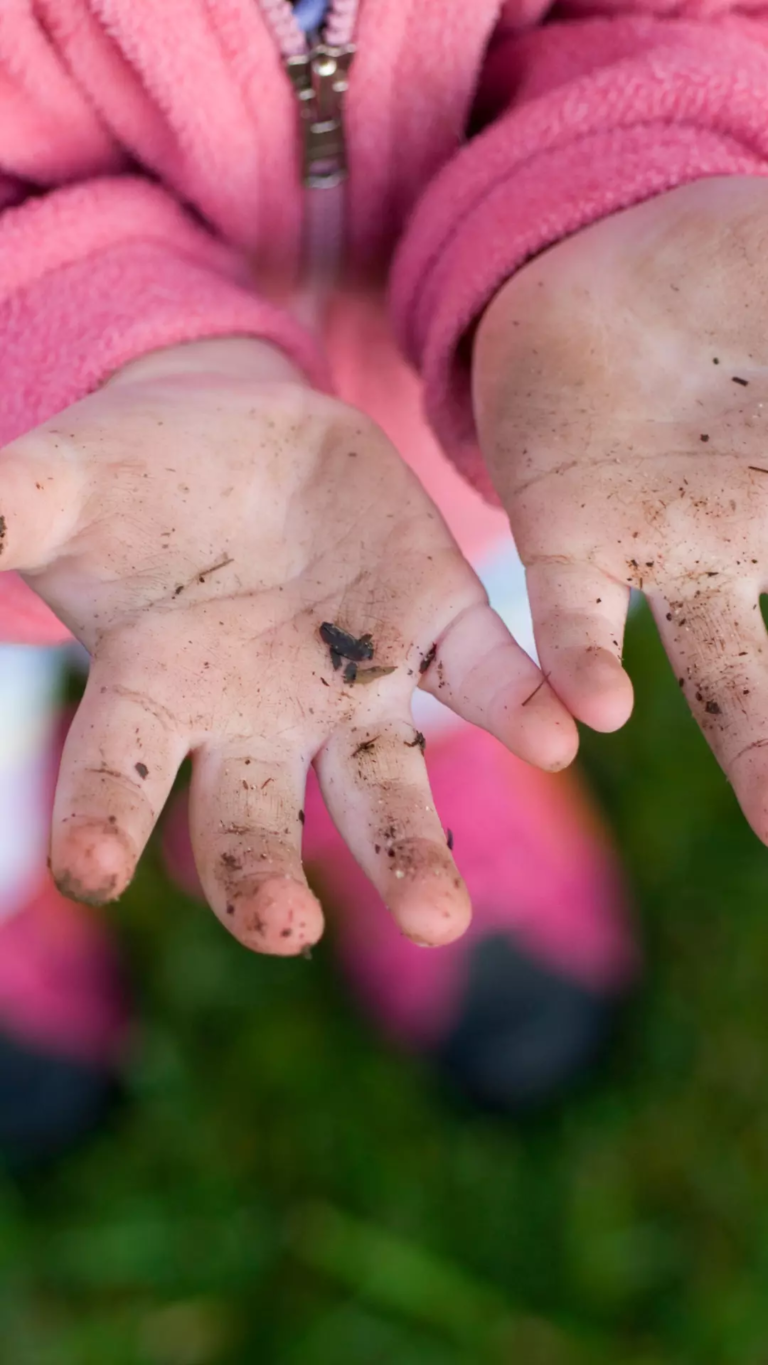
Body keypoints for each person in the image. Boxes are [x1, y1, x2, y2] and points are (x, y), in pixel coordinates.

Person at [1, 0, 765, 1157]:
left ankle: (428, 742)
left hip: (496, 403)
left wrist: (630, 178)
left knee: (465, 620)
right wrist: (105, 345)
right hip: (50, 431)